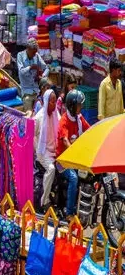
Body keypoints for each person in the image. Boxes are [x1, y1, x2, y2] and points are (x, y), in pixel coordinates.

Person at [58, 89, 90, 218]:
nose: (81, 107)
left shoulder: (79, 118)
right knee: (74, 178)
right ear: (71, 106)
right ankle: (69, 212)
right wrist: (74, 153)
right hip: (61, 160)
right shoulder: (64, 121)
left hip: (75, 158)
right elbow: (65, 140)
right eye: (79, 105)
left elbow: (90, 130)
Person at [34, 88, 59, 209]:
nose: (53, 104)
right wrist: (38, 151)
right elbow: (33, 135)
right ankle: (44, 200)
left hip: (54, 149)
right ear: (45, 101)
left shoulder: (56, 114)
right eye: (51, 101)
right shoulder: (39, 117)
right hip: (43, 151)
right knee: (51, 169)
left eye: (55, 101)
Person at [17, 39, 49, 112]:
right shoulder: (20, 55)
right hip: (26, 92)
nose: (34, 54)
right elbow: (21, 72)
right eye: (33, 52)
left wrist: (42, 77)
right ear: (28, 49)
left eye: (35, 52)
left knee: (39, 114)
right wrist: (31, 67)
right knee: (29, 117)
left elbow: (46, 68)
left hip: (37, 91)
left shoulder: (37, 56)